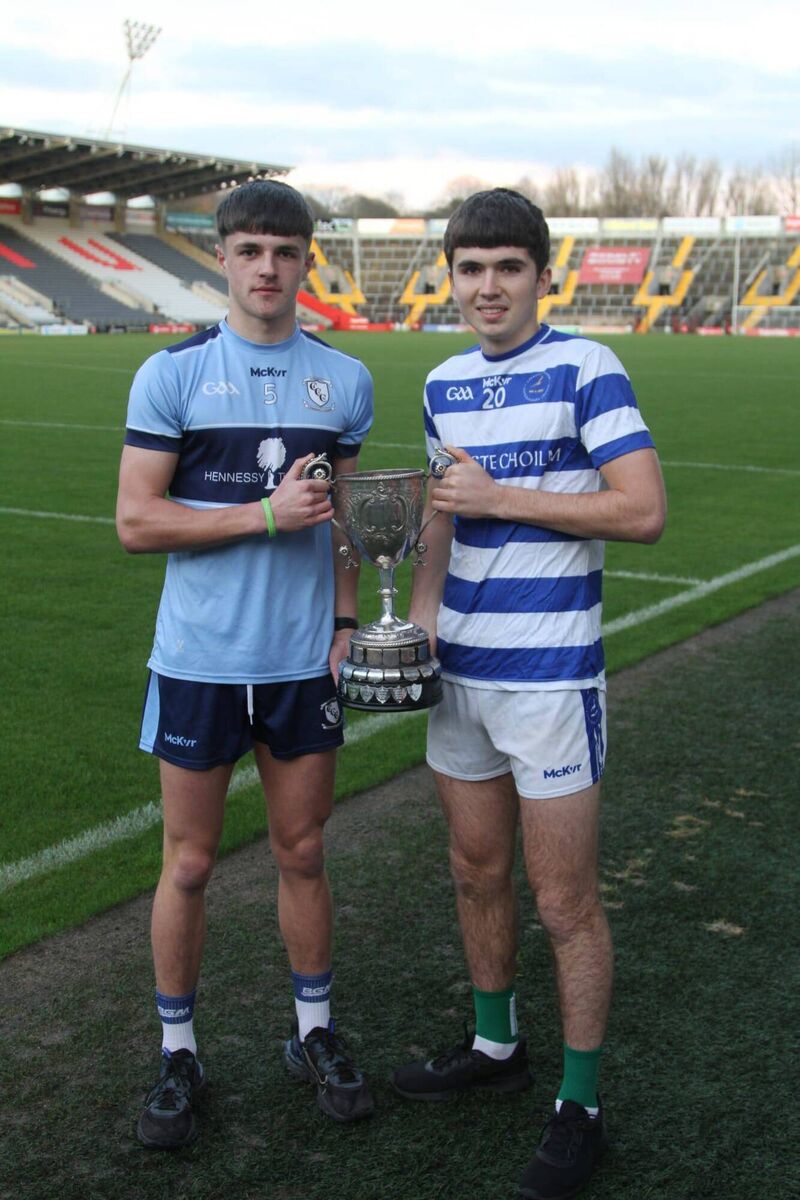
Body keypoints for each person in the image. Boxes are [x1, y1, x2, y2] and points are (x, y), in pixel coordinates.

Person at [391, 189, 666, 1199]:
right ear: (450, 277)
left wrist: (501, 495)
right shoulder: (442, 382)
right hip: (460, 676)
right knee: (473, 873)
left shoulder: (586, 367)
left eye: (507, 267)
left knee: (563, 899)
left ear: (539, 275)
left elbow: (641, 510)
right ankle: (493, 1043)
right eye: (469, 268)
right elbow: (436, 523)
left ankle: (579, 1103)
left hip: (549, 677)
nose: (487, 287)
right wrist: (417, 624)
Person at [116, 179, 375, 1149]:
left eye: (285, 251)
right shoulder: (171, 376)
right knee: (187, 862)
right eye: (250, 250)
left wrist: (348, 619)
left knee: (302, 851)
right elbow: (137, 520)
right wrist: (261, 514)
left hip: (303, 661)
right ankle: (177, 1051)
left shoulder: (342, 380)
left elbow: (350, 520)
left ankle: (312, 1032)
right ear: (220, 258)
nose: (268, 268)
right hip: (199, 662)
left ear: (306, 262)